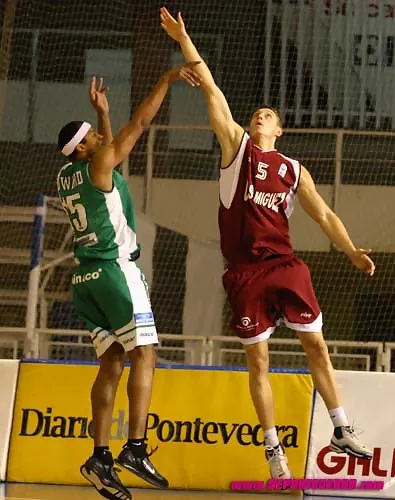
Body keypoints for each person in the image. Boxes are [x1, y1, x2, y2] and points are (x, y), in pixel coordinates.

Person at [160, 7, 375, 480]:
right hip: (243, 272)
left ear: (279, 130)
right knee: (258, 362)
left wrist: (352, 251)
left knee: (316, 345)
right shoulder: (236, 148)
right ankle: (273, 446)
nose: (261, 115)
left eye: (270, 115)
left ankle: (341, 426)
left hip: (284, 266)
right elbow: (210, 85)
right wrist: (183, 40)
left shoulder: (294, 170)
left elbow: (325, 215)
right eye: (258, 113)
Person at [56, 65, 200, 500]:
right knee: (145, 353)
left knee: (112, 362)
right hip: (115, 270)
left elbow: (106, 144)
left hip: (85, 278)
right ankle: (135, 448)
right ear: (84, 148)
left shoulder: (67, 175)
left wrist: (101, 113)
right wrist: (166, 80)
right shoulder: (99, 164)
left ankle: (99, 457)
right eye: (93, 135)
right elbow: (137, 124)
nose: (101, 135)